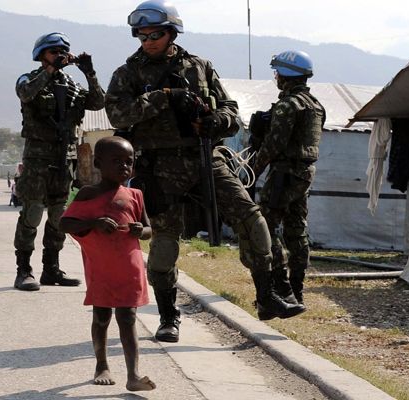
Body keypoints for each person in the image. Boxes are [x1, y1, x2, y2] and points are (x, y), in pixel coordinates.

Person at [105, 0, 305, 343]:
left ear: (171, 33)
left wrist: (215, 120)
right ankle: (168, 316)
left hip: (204, 159)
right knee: (165, 246)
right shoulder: (128, 74)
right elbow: (118, 115)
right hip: (158, 166)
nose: (148, 40)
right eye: (141, 35)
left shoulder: (199, 67)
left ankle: (267, 296)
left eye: (156, 34)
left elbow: (231, 112)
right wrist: (163, 97)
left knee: (252, 219)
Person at [60, 136, 156, 392]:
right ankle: (101, 364)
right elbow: (66, 223)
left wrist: (141, 230)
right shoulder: (88, 193)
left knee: (128, 317)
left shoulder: (135, 194)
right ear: (98, 163)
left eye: (129, 162)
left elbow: (148, 229)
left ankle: (133, 375)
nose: (125, 167)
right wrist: (94, 223)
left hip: (129, 267)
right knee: (101, 317)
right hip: (101, 268)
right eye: (117, 161)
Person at [13, 32, 106, 291]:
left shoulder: (72, 85)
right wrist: (51, 70)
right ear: (41, 55)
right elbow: (26, 94)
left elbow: (98, 103)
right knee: (32, 214)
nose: (59, 55)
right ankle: (24, 270)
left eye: (63, 52)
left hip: (62, 159)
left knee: (58, 215)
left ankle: (51, 269)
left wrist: (90, 73)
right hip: (37, 159)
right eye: (53, 52)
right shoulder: (30, 79)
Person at [253, 50, 326, 305]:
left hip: (284, 173)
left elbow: (273, 145)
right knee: (297, 229)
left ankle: (281, 287)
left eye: (277, 73)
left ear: (285, 75)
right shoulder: (316, 106)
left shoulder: (288, 105)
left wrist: (252, 171)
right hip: (305, 173)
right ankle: (297, 289)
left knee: (266, 226)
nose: (276, 78)